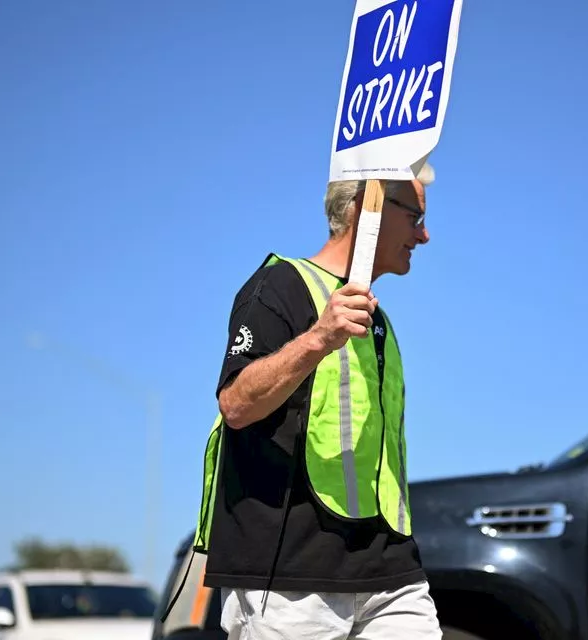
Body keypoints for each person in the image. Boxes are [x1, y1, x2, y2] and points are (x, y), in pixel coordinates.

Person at [188, 165, 439, 639]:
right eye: (416, 218)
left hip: (388, 570)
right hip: (289, 577)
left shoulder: (379, 321)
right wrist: (318, 338)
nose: (424, 236)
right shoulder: (278, 286)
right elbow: (236, 404)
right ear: (371, 210)